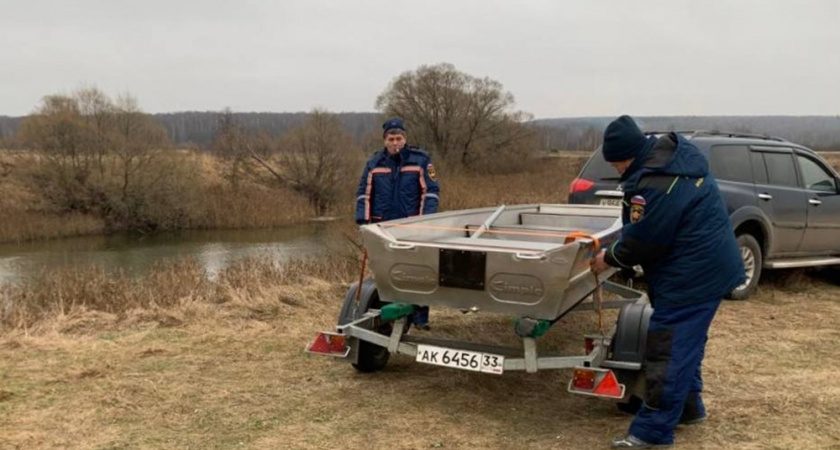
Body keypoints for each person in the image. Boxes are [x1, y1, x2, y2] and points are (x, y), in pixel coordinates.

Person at [589, 115, 745, 448]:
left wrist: (609, 257)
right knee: (686, 344)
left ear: (632, 155)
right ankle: (689, 407)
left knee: (669, 349)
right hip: (706, 269)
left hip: (692, 277)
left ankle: (652, 432)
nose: (618, 171)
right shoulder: (671, 160)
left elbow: (645, 239)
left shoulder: (659, 181)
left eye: (619, 165)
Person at [355, 117, 440, 330]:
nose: (395, 143)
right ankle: (393, 315)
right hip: (382, 228)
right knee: (387, 271)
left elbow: (431, 191)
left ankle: (420, 318)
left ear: (405, 138)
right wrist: (363, 223)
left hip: (412, 227)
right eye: (391, 139)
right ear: (385, 140)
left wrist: (425, 220)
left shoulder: (421, 161)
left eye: (399, 138)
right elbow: (363, 194)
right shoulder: (374, 163)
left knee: (418, 271)